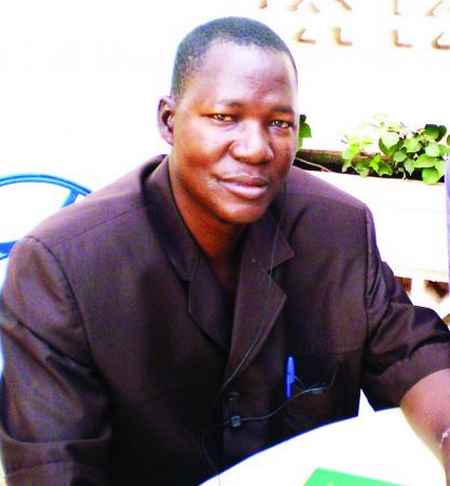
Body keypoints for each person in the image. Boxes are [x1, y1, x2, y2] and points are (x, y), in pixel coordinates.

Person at [1, 16, 450, 486]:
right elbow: (53, 467)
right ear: (168, 120)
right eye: (224, 117)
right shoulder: (63, 267)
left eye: (279, 123)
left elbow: (411, 355)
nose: (256, 149)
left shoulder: (335, 229)